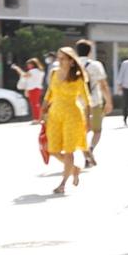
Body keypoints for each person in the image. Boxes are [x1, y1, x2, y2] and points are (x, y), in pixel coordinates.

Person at [43, 48, 88, 194]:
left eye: (63, 58)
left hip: (72, 115)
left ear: (71, 61)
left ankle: (62, 184)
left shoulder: (78, 77)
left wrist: (88, 119)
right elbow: (50, 92)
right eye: (58, 58)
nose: (59, 61)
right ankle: (74, 169)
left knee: (69, 151)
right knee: (53, 150)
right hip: (54, 114)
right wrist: (43, 107)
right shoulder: (54, 73)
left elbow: (86, 99)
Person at [73, 39, 110, 166]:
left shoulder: (72, 65)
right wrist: (109, 101)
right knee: (97, 130)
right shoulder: (95, 65)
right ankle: (91, 148)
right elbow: (103, 85)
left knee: (83, 130)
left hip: (77, 103)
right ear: (89, 52)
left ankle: (85, 152)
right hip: (94, 101)